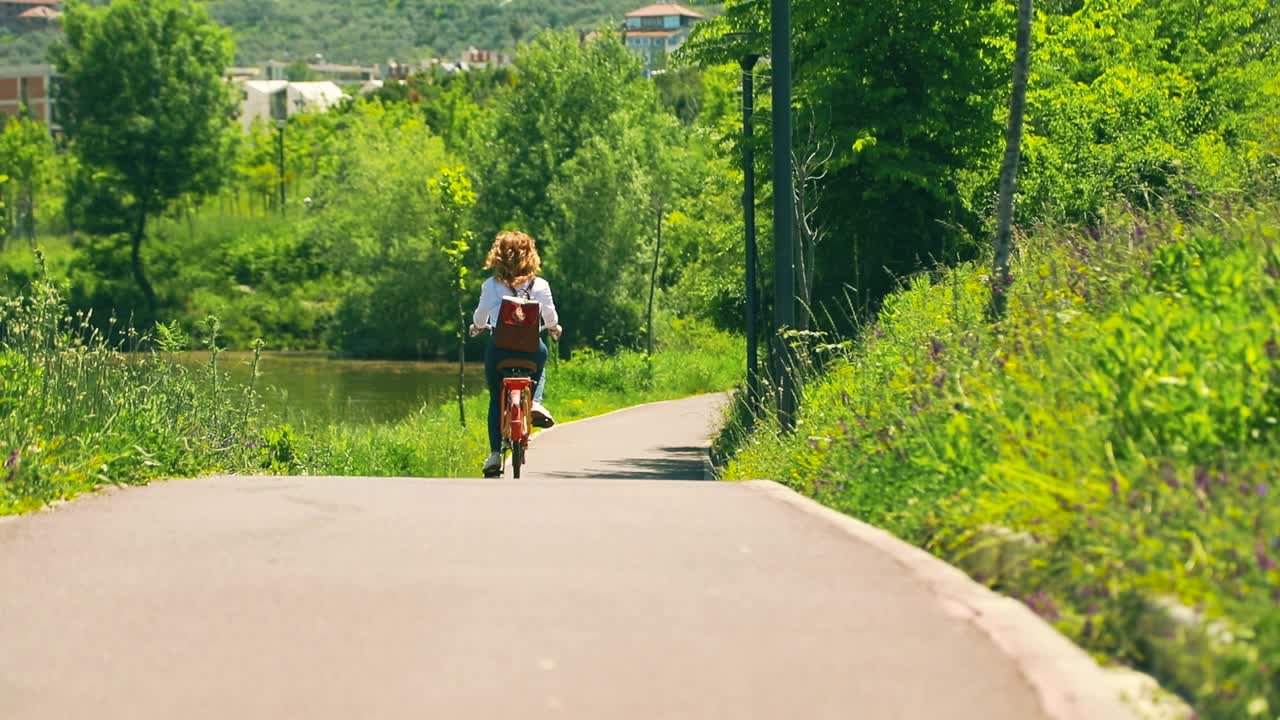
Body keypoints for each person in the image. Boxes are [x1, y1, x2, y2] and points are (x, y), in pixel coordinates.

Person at [469, 230, 563, 476]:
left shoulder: (490, 285)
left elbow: (480, 317)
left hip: (499, 351)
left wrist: (477, 327)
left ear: (498, 256)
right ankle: (536, 402)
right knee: (542, 358)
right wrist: (554, 328)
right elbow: (551, 317)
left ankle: (495, 455)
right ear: (530, 255)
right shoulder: (540, 285)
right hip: (530, 351)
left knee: (494, 397)